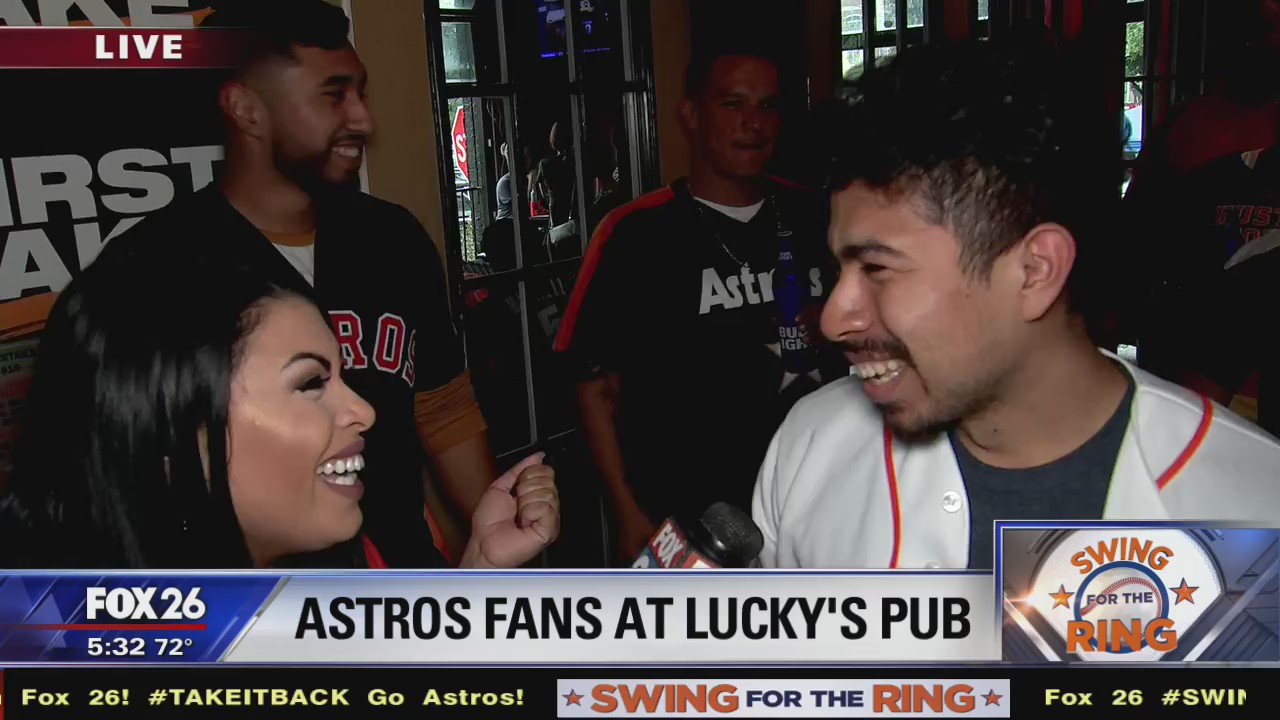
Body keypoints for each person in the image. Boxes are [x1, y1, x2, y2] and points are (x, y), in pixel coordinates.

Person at [752, 38, 1280, 572]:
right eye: (838, 268)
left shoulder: (1250, 504)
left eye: (877, 268)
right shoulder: (812, 445)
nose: (834, 318)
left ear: (1034, 271)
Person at [89, 0, 496, 567]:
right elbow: (127, 484)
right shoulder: (150, 270)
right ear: (247, 110)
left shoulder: (391, 237)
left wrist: (497, 531)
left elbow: (442, 405)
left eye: (361, 92)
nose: (362, 120)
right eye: (333, 95)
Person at [0, 250, 558, 570]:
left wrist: (480, 572)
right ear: (167, 434)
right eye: (311, 383)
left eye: (343, 374)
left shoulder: (352, 565)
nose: (363, 410)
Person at [554, 41, 844, 563]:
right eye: (733, 104)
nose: (754, 123)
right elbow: (594, 388)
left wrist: (840, 322)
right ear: (690, 114)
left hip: (823, 499)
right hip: (690, 522)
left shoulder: (818, 215)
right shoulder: (636, 234)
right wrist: (625, 512)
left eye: (768, 106)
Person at [1122, 0, 1280, 409]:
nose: (1267, 41)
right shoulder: (1188, 127)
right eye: (1260, 28)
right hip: (1189, 365)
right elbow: (1139, 235)